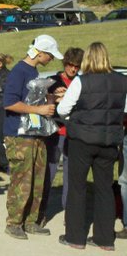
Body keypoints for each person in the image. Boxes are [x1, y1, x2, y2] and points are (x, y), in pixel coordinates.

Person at [56, 42, 127, 250]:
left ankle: (75, 236)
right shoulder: (122, 81)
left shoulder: (81, 81)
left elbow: (62, 109)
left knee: (77, 187)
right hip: (109, 141)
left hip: (82, 139)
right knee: (105, 188)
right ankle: (104, 239)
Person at [3, 35, 62, 240]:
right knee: (22, 180)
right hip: (19, 136)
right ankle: (14, 223)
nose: (51, 59)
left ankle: (31, 221)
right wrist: (39, 110)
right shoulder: (19, 72)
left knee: (38, 179)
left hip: (36, 133)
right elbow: (9, 103)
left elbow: (31, 99)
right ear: (40, 53)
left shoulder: (33, 71)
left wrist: (51, 98)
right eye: (50, 55)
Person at [39, 47, 83, 221]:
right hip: (56, 132)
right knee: (49, 172)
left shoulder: (82, 81)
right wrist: (55, 97)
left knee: (71, 175)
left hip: (75, 133)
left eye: (77, 66)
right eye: (70, 65)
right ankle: (41, 212)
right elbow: (43, 101)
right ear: (65, 63)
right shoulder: (53, 80)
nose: (73, 69)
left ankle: (69, 215)